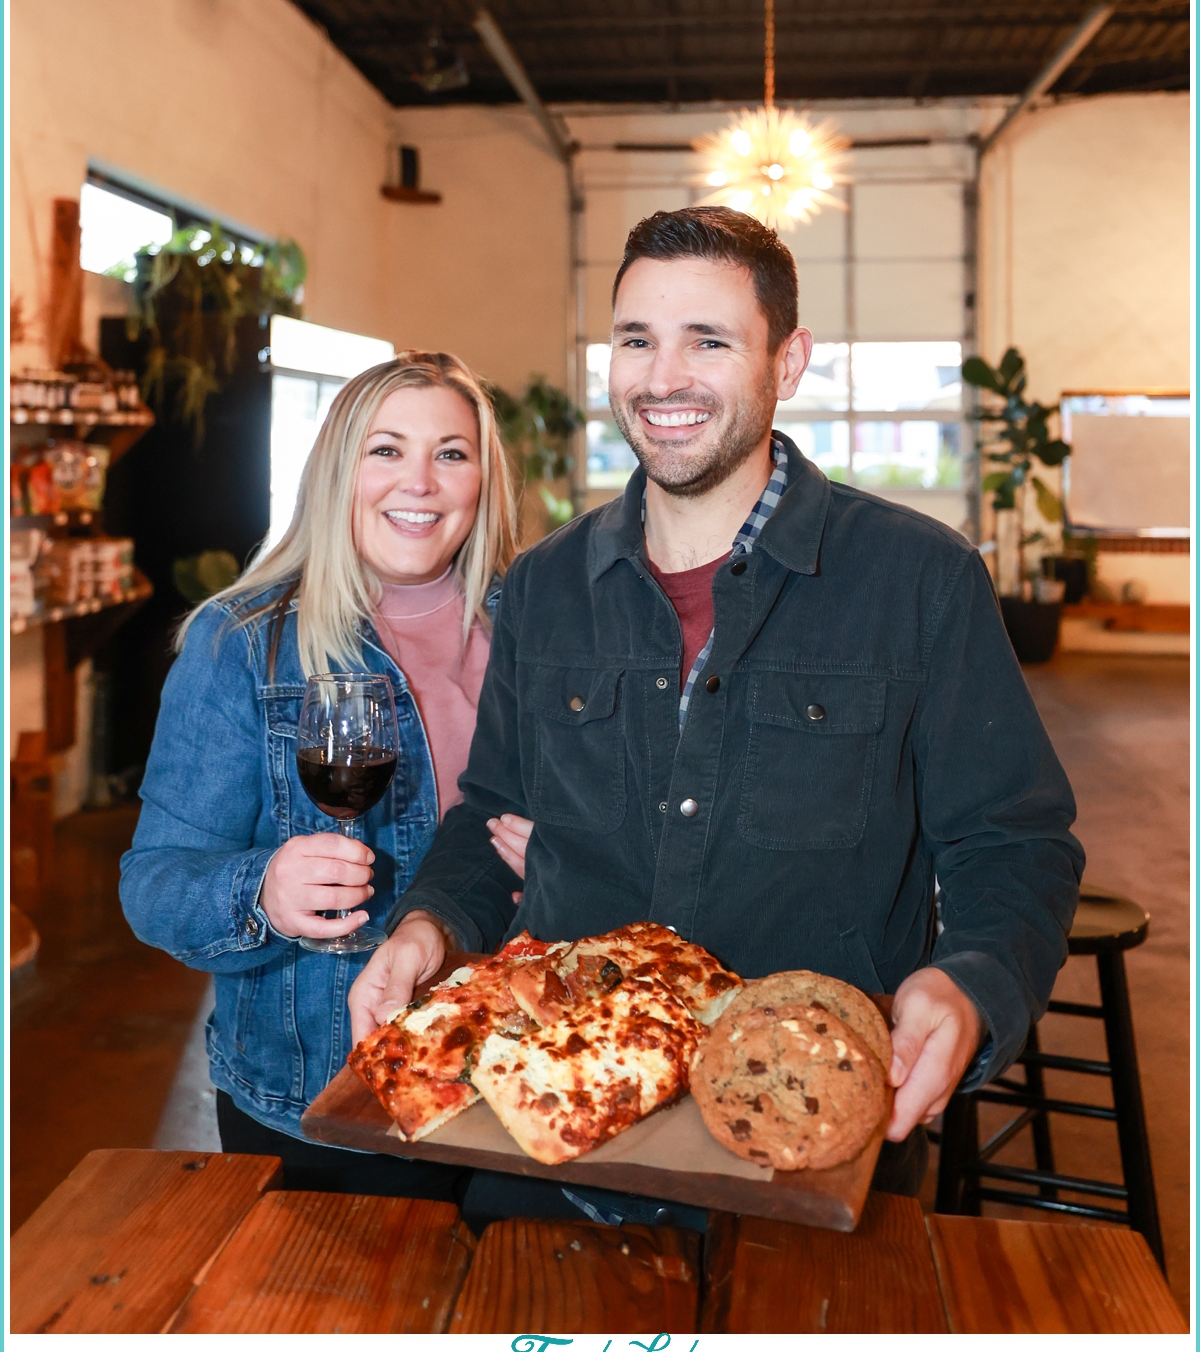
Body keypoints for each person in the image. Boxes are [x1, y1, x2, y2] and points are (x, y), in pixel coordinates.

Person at [350, 209, 1084, 1209]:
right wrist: (428, 926)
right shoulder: (545, 587)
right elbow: (491, 812)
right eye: (636, 340)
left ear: (788, 362)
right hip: (560, 1141)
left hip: (802, 1151)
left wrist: (973, 981)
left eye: (709, 340)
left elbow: (1014, 839)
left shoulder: (919, 581)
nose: (663, 379)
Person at [120, 350, 531, 1196]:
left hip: (520, 1082)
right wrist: (260, 893)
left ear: (482, 478)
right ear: (338, 470)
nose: (418, 481)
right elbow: (153, 883)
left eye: (450, 453)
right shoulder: (244, 641)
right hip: (329, 1099)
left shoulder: (537, 629)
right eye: (386, 450)